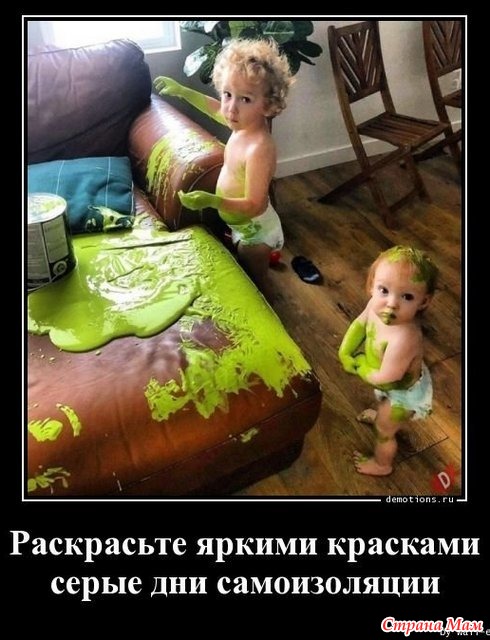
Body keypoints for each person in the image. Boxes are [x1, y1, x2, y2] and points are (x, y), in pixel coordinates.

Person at [153, 38, 293, 301]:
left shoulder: (259, 148)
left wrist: (212, 201)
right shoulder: (242, 124)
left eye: (245, 99)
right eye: (227, 94)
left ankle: (268, 305)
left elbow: (254, 204)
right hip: (240, 226)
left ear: (268, 105)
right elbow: (215, 108)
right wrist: (183, 92)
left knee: (257, 282)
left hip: (255, 233)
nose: (230, 108)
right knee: (246, 268)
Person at [338, 246, 439, 476]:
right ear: (371, 285)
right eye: (384, 290)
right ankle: (382, 416)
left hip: (402, 395)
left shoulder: (405, 337)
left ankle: (382, 464)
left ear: (423, 301)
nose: (391, 303)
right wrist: (345, 352)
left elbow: (386, 378)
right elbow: (359, 326)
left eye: (407, 296)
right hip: (386, 381)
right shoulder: (375, 307)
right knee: (383, 408)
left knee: (384, 431)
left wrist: (358, 364)